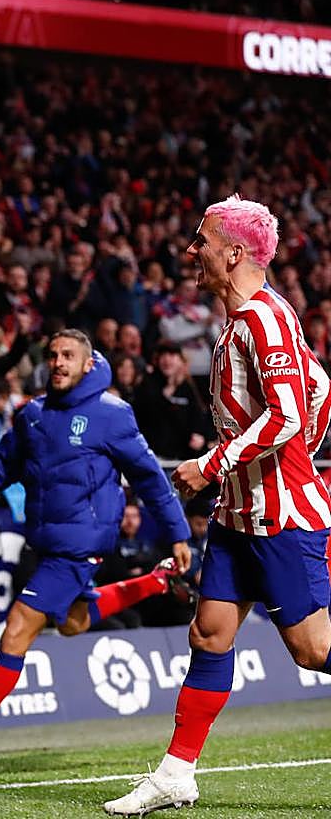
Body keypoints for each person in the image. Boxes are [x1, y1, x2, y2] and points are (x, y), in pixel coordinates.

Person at [104, 196, 331, 815]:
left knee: (314, 652)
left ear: (233, 253)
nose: (189, 251)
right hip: (236, 518)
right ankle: (177, 774)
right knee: (209, 636)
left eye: (200, 239)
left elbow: (289, 411)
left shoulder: (263, 320)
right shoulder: (242, 322)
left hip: (282, 518)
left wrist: (212, 464)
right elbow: (319, 389)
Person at [0, 329, 191, 761]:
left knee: (18, 626)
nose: (58, 362)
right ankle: (156, 582)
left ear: (89, 364)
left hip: (81, 542)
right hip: (48, 539)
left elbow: (150, 476)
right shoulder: (32, 414)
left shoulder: (112, 414)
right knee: (74, 622)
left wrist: (177, 532)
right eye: (53, 355)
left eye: (68, 356)